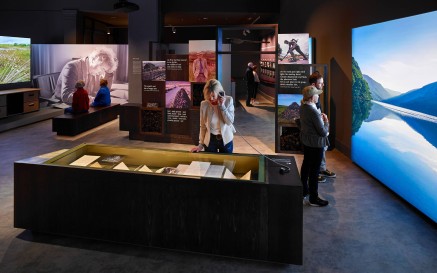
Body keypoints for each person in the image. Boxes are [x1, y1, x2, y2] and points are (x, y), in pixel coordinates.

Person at [54, 47, 118, 104]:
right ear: (95, 61)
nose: (103, 73)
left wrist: (110, 74)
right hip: (61, 105)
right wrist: (92, 99)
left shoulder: (97, 70)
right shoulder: (72, 67)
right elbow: (66, 96)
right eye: (102, 69)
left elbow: (103, 93)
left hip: (85, 104)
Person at [299, 85, 330, 206]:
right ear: (312, 97)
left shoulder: (303, 107)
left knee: (306, 165)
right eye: (317, 94)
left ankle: (304, 190)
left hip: (307, 142)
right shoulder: (313, 111)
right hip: (316, 144)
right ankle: (314, 198)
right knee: (314, 171)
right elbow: (323, 132)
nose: (318, 95)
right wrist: (326, 121)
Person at [190, 79, 235, 153]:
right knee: (210, 163)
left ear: (219, 92)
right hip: (210, 140)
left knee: (227, 163)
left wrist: (222, 106)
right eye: (208, 96)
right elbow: (203, 126)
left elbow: (229, 122)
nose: (211, 99)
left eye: (213, 96)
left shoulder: (228, 100)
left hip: (226, 139)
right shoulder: (204, 104)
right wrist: (200, 144)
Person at [308, 71, 337, 182]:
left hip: (319, 124)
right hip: (315, 128)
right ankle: (314, 172)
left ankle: (321, 169)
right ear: (314, 85)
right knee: (316, 150)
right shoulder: (311, 97)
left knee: (322, 147)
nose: (323, 85)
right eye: (321, 83)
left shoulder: (316, 95)